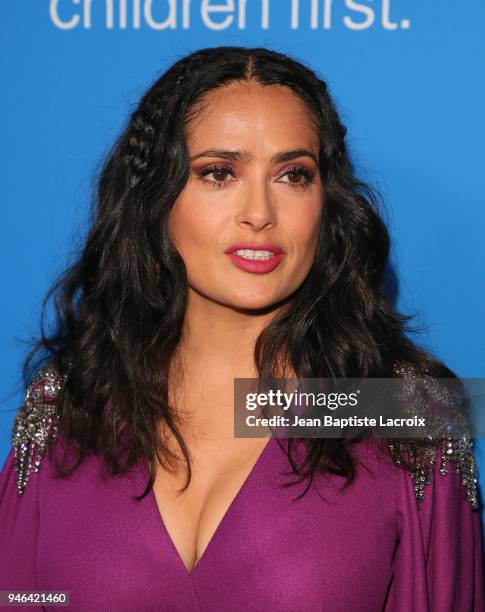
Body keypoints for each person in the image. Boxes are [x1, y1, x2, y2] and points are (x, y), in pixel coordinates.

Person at [0, 46, 483, 611]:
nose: (260, 211)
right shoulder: (71, 403)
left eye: (293, 174)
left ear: (326, 202)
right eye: (219, 173)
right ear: (157, 198)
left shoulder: (403, 414)